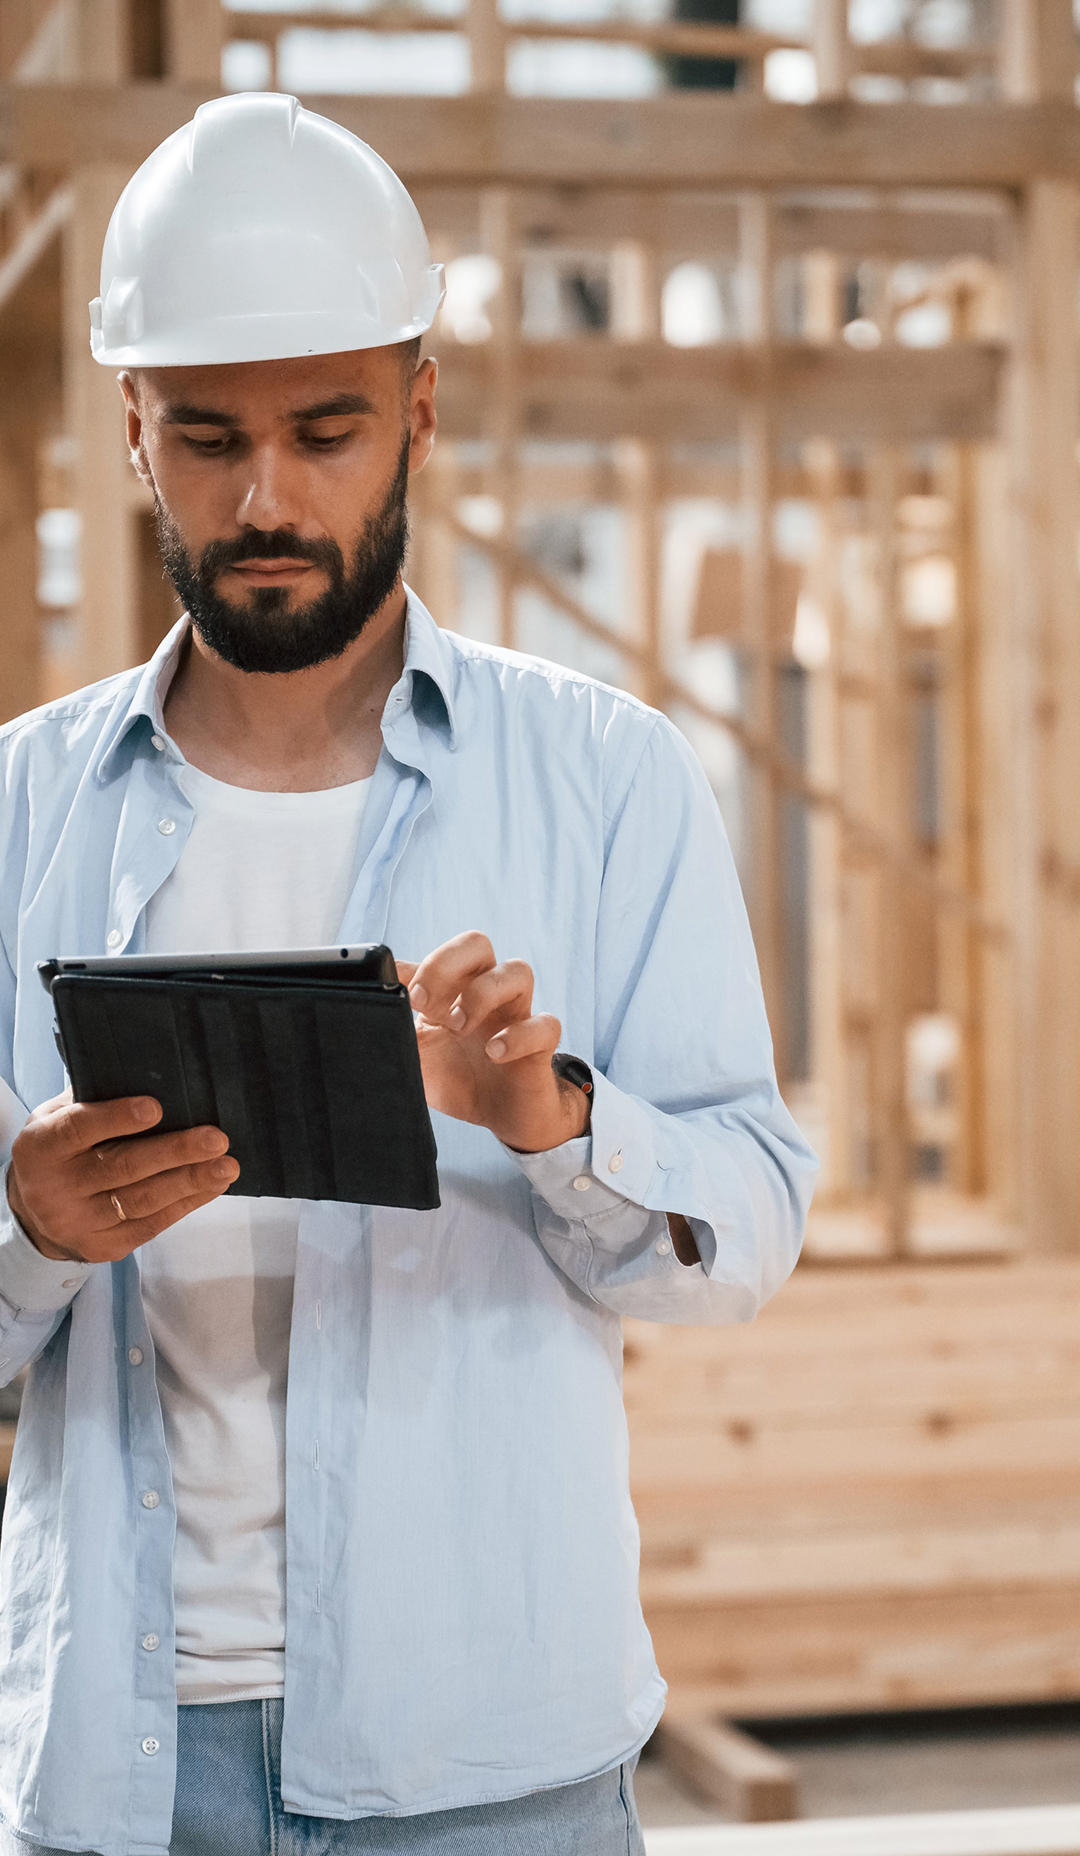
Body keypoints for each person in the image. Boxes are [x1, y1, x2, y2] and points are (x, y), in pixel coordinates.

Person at [0, 93, 817, 1856]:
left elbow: (746, 1226)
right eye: (209, 437)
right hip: (119, 1777)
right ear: (133, 426)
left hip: (489, 1770)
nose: (269, 495)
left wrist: (558, 1119)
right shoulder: (14, 811)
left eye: (329, 428)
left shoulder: (606, 780)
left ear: (422, 412)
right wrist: (29, 1226)